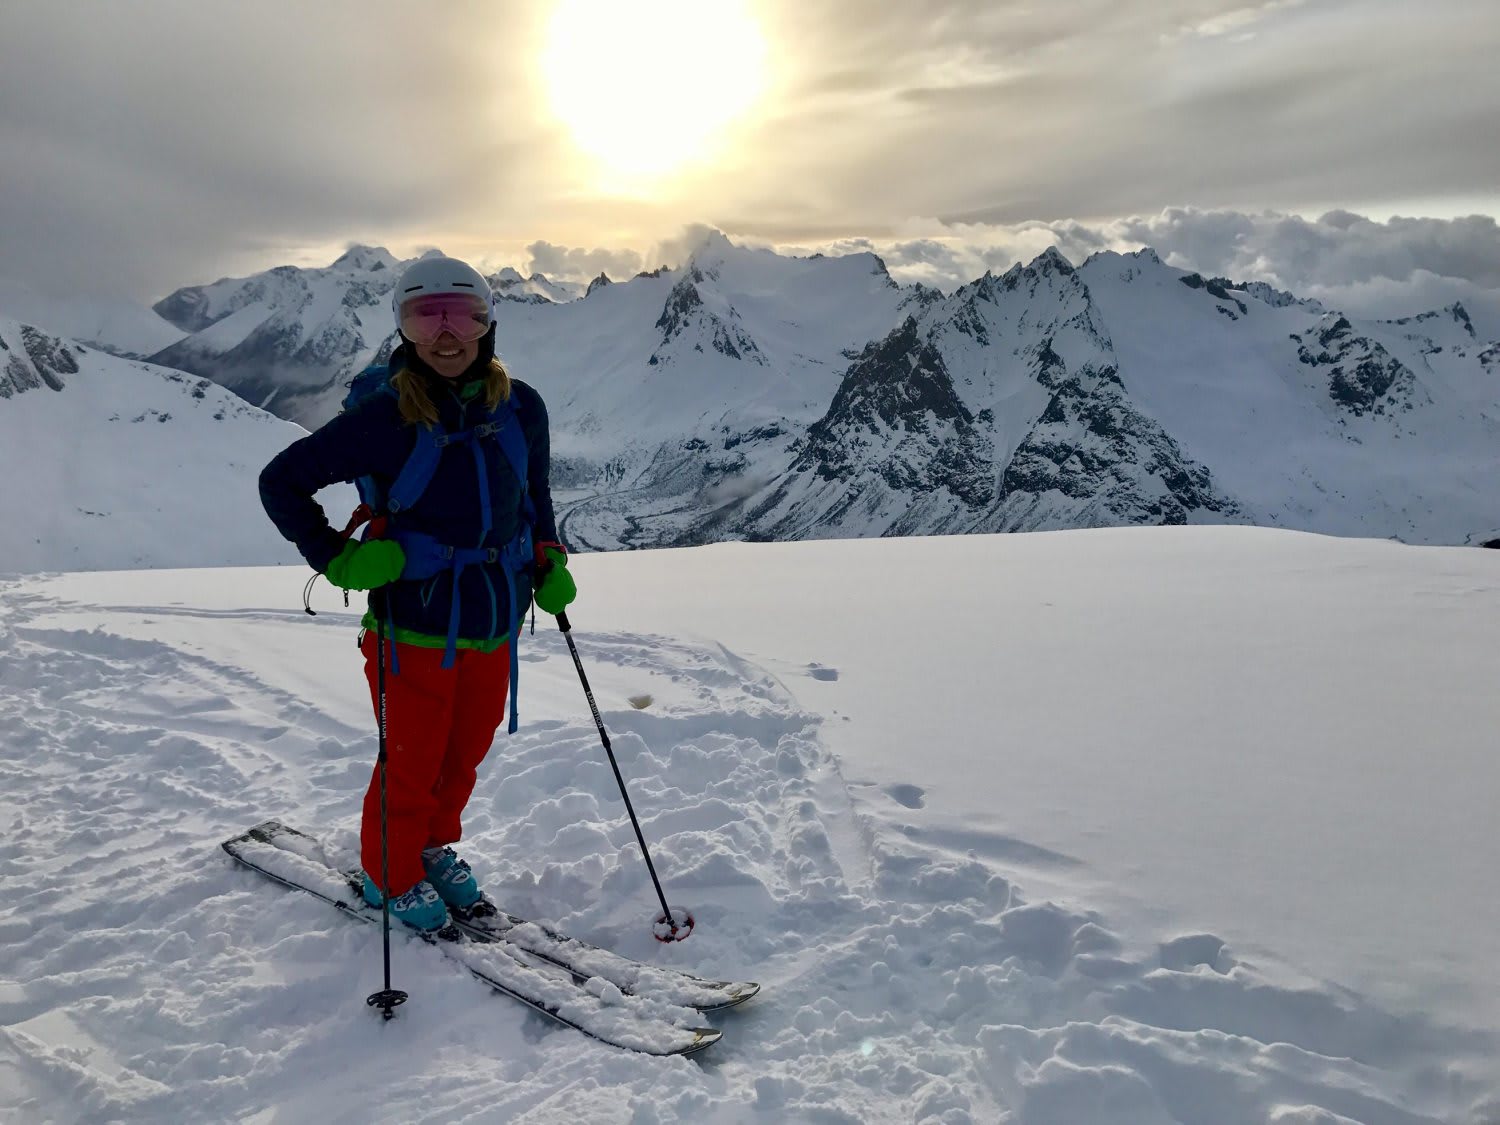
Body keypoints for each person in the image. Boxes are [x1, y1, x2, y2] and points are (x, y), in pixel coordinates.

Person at [259, 255, 576, 932]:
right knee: (411, 761)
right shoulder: (383, 418)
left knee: (463, 756)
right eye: (425, 317)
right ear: (403, 328)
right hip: (412, 628)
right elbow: (280, 482)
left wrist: (548, 554)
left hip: (497, 620)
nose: (446, 334)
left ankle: (429, 847)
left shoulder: (522, 408)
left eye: (463, 315)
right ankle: (389, 871)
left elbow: (536, 494)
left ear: (488, 323)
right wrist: (337, 559)